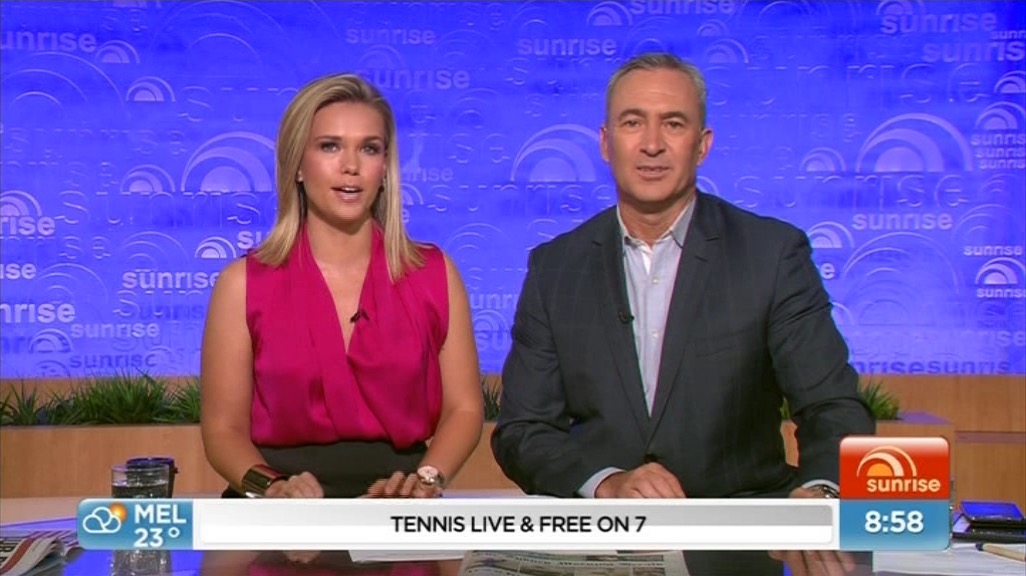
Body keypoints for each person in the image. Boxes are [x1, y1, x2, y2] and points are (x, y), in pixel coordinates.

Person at [491, 53, 876, 574]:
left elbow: (832, 406)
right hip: (603, 547)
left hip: (741, 549)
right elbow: (523, 431)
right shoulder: (556, 267)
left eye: (673, 124)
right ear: (605, 142)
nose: (652, 144)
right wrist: (607, 483)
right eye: (633, 123)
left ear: (702, 144)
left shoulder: (771, 255)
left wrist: (822, 492)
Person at [200, 73, 483, 499]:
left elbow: (464, 409)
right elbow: (223, 431)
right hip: (278, 509)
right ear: (297, 164)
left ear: (384, 168)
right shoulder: (242, 283)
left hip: (398, 502)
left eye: (369, 148)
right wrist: (272, 488)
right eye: (330, 146)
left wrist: (426, 480)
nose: (351, 165)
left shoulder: (433, 275)